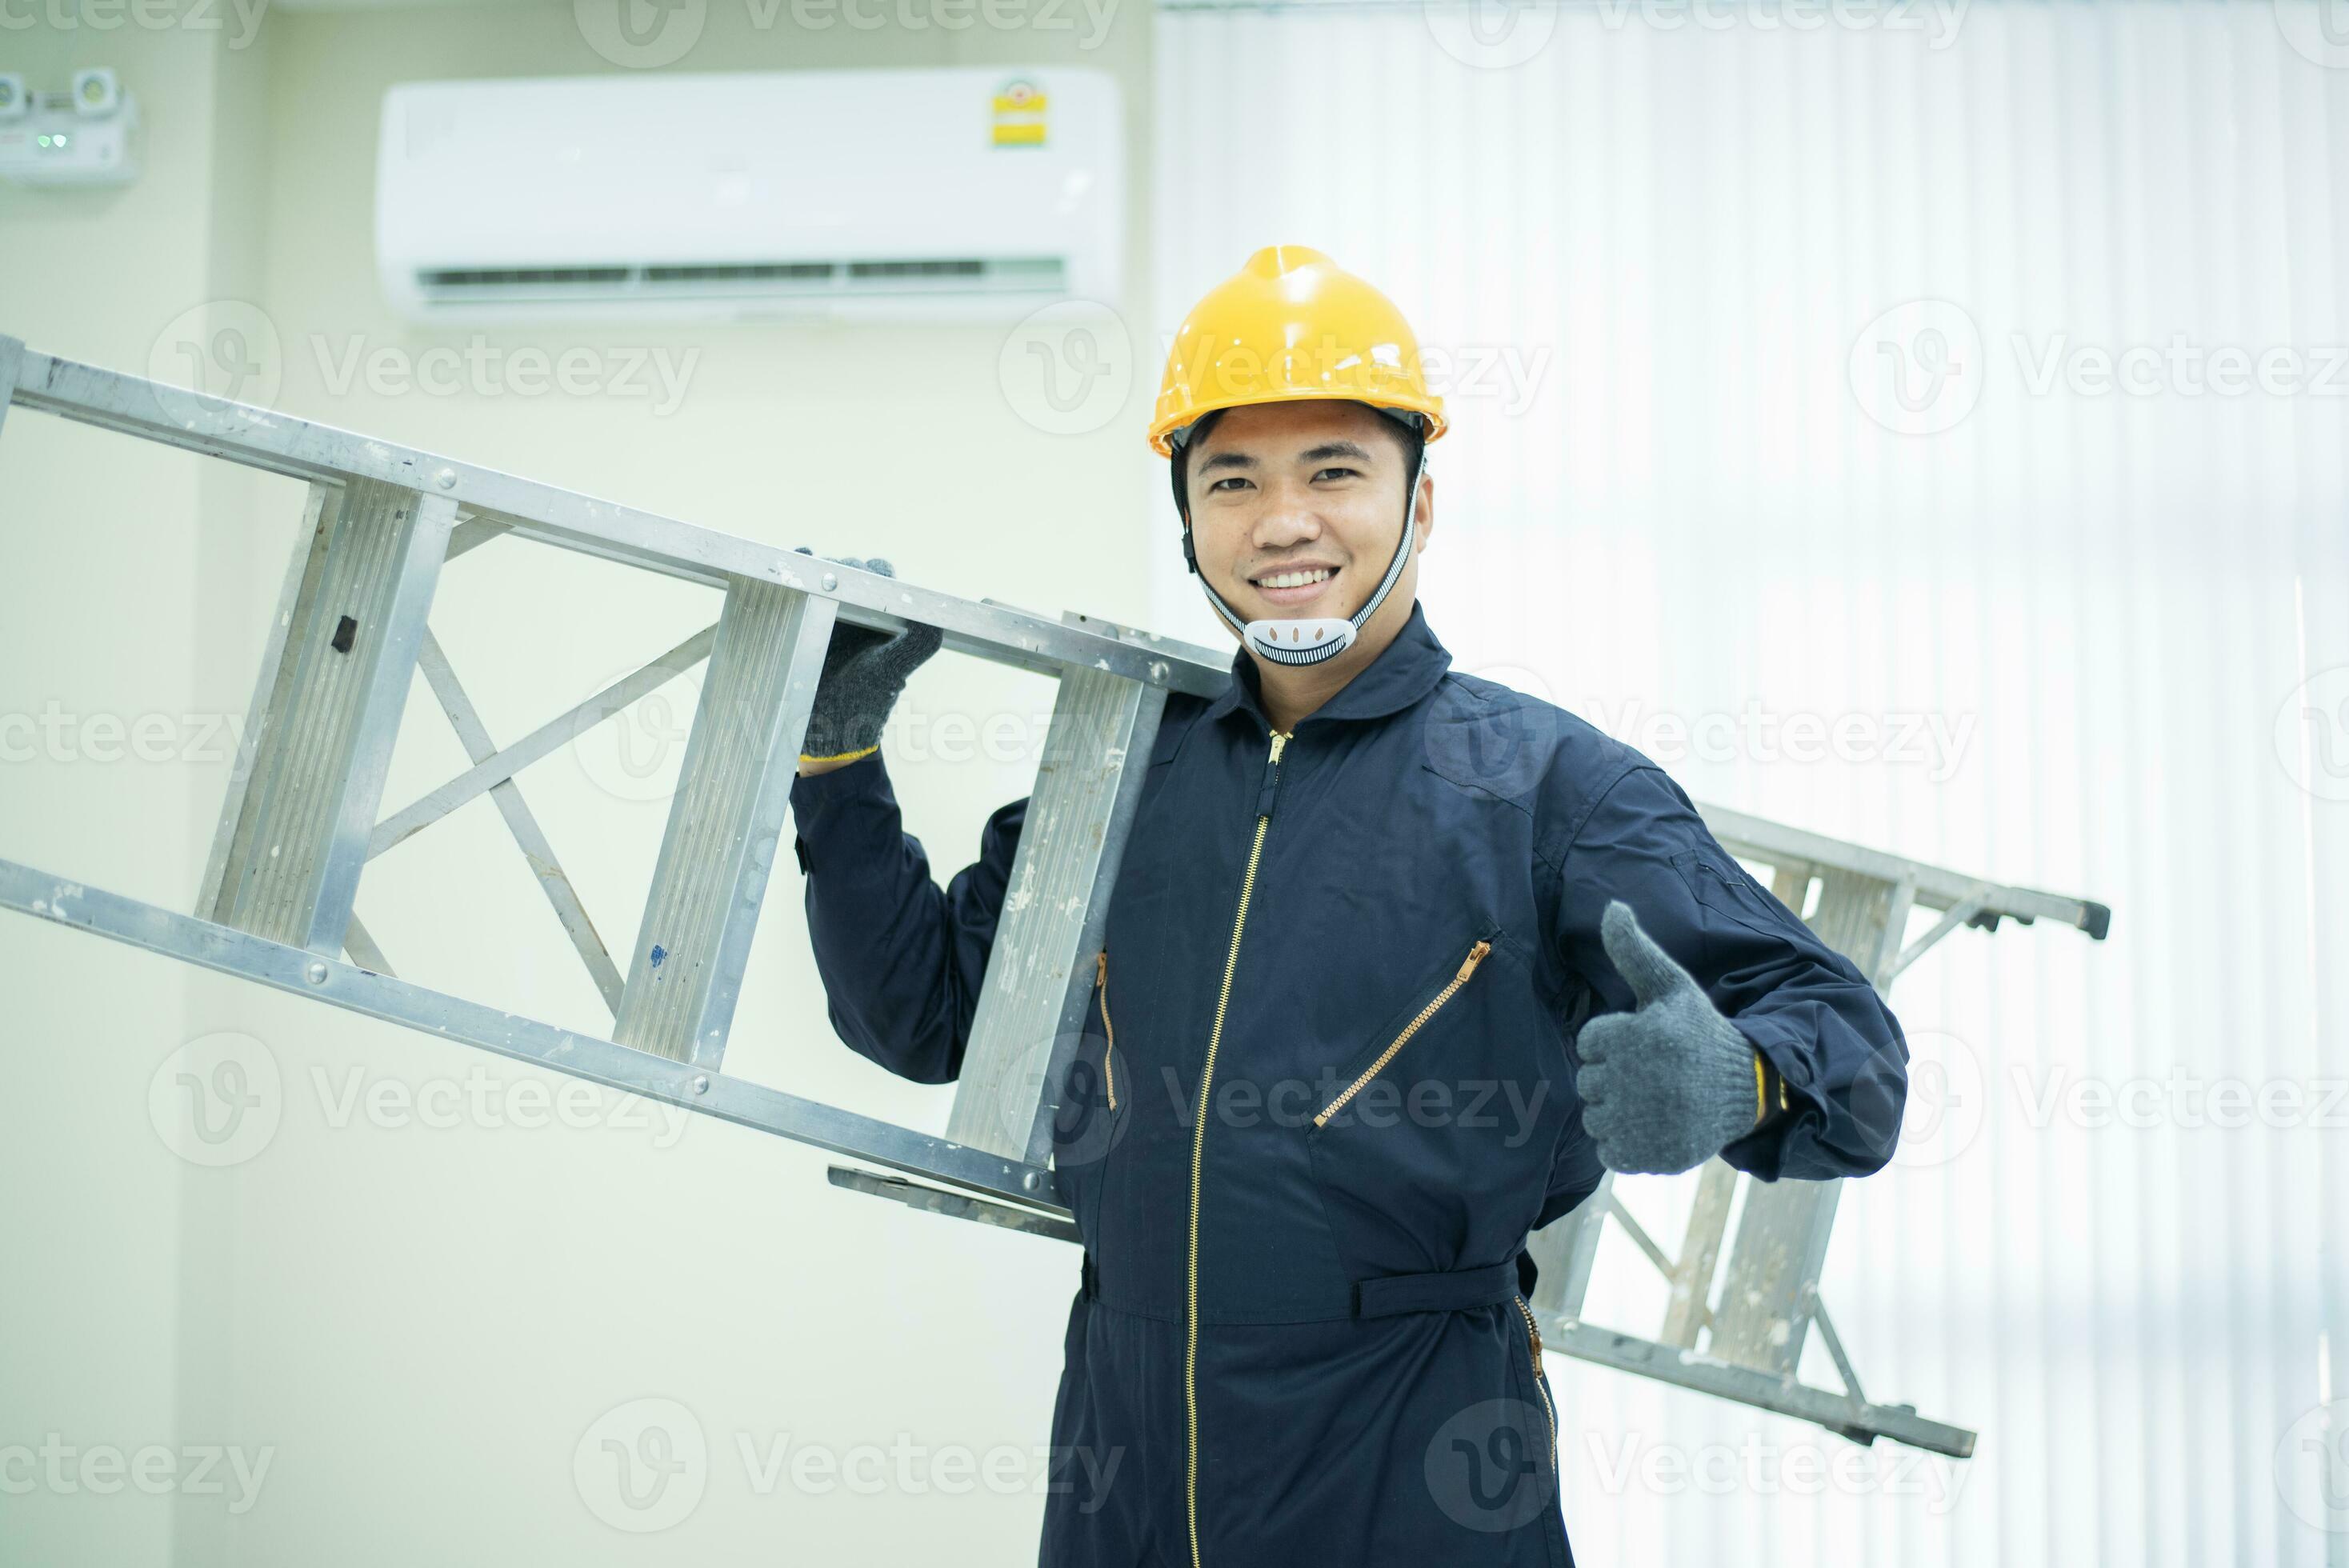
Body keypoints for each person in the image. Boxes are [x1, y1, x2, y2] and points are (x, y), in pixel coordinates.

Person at [786, 244, 1908, 1568]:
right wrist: (838, 758)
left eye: (1334, 472)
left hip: (1412, 1472)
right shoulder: (1120, 769)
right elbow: (924, 1018)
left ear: (1420, 504)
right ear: (1190, 520)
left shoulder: (1549, 790)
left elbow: (1857, 1053)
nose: (1282, 522)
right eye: (1233, 480)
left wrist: (1749, 1081)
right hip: (1125, 1477)